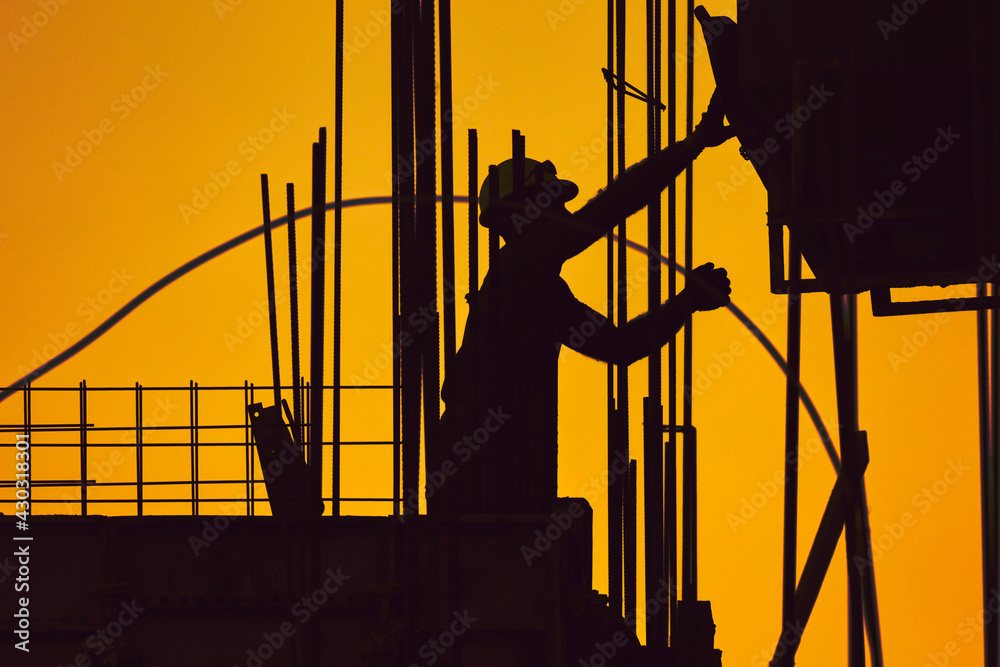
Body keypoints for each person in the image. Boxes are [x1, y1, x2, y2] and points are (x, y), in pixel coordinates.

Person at [429, 93, 736, 517]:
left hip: (509, 490)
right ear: (525, 213)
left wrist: (685, 304)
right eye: (554, 202)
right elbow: (611, 207)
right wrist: (693, 145)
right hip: (473, 488)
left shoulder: (542, 295)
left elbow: (621, 348)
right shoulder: (513, 271)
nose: (565, 210)